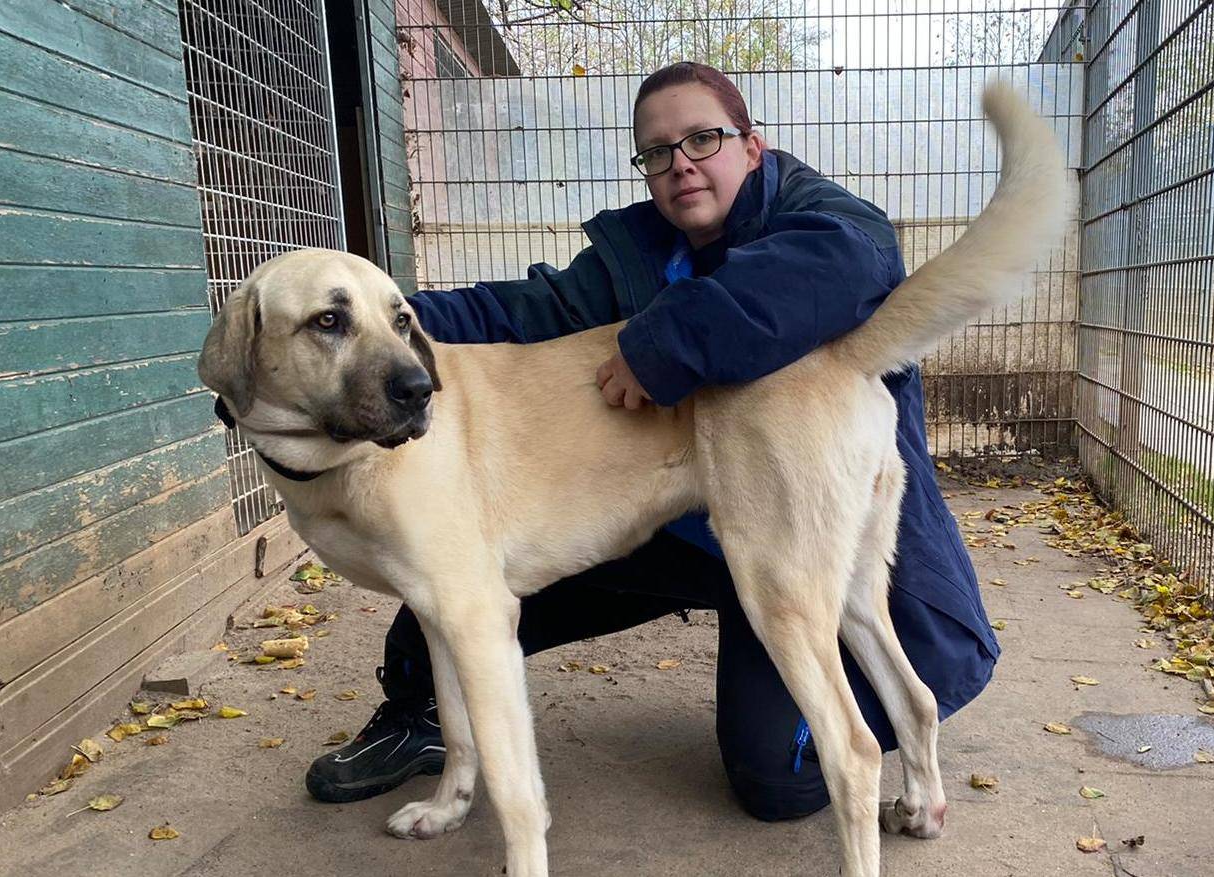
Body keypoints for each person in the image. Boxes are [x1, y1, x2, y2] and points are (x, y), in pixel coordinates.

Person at [304, 61, 999, 821]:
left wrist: (661, 343)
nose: (681, 164)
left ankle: (897, 752)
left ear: (753, 146)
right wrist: (383, 318)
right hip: (670, 521)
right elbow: (516, 311)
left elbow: (834, 271)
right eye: (657, 152)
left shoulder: (824, 218)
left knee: (778, 778)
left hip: (795, 524)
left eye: (703, 138)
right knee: (452, 573)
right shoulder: (637, 250)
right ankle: (425, 713)